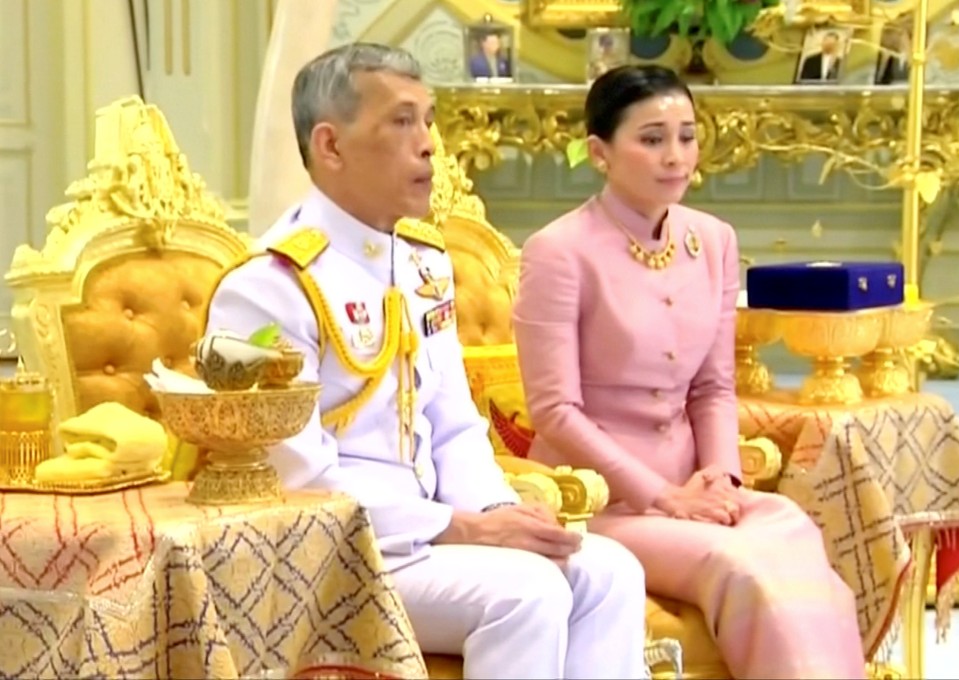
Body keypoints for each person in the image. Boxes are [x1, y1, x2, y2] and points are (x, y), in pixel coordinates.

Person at [204, 44, 647, 680]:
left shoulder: (422, 262)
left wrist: (498, 515)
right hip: (334, 553)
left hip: (433, 536)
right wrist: (458, 528)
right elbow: (296, 480)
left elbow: (454, 421)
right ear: (330, 146)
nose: (429, 144)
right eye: (402, 121)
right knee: (527, 592)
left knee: (609, 572)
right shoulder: (270, 286)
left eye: (429, 119)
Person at [511, 64, 867, 680]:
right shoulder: (559, 252)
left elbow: (713, 386)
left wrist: (722, 478)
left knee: (791, 527)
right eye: (651, 138)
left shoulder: (715, 240)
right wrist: (663, 496)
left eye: (686, 135)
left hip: (698, 491)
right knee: (740, 566)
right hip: (605, 501)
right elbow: (555, 413)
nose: (675, 156)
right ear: (600, 152)